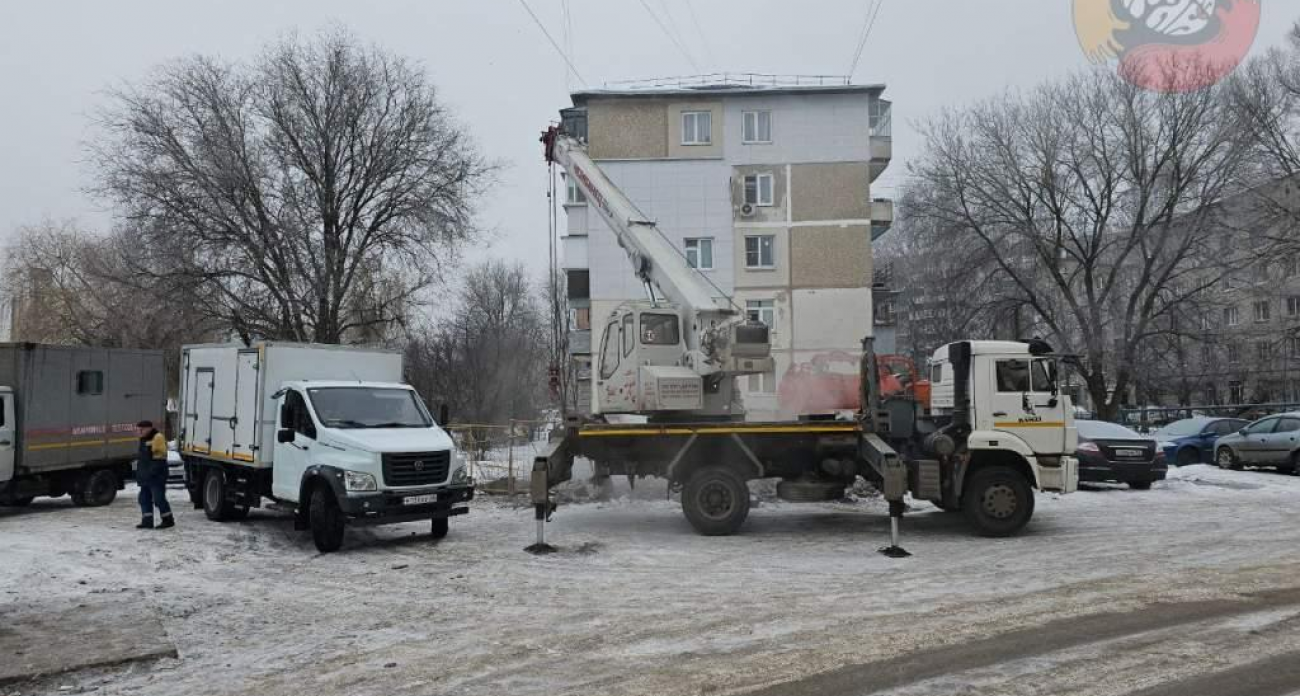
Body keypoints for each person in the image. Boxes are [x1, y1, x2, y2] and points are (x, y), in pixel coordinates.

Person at [135, 420, 173, 529]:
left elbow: (160, 458)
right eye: (138, 429)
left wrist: (151, 473)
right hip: (146, 476)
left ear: (149, 428)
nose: (140, 432)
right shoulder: (143, 439)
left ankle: (168, 520)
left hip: (156, 477)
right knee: (143, 498)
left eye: (142, 429)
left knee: (158, 499)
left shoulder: (157, 438)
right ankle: (147, 521)